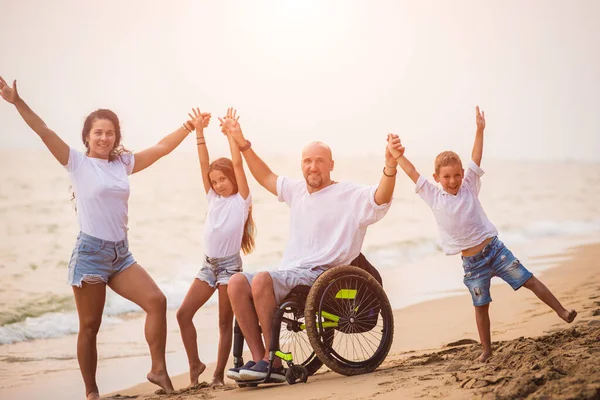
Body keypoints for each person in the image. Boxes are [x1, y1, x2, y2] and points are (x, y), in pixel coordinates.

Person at [0, 76, 198, 399]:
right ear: (87, 137)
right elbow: (44, 130)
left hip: (121, 255)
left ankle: (158, 369)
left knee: (156, 302)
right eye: (98, 133)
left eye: (110, 132)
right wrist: (17, 102)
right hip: (90, 254)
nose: (104, 138)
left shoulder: (123, 163)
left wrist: (188, 128)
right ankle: (91, 392)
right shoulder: (76, 163)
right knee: (90, 327)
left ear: (116, 136)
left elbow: (161, 149)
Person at [387, 106, 577, 363]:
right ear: (437, 177)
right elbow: (411, 173)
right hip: (472, 264)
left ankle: (562, 311)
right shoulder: (433, 195)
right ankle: (486, 349)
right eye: (446, 177)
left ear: (462, 175)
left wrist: (479, 129)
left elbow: (476, 158)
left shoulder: (469, 186)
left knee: (528, 280)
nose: (452, 181)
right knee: (481, 306)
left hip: (495, 250)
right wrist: (396, 155)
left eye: (456, 175)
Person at [218, 111, 398, 382]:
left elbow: (380, 198)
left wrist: (390, 167)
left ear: (331, 165)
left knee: (262, 280)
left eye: (319, 161)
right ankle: (260, 359)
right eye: (307, 161)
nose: (313, 167)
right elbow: (264, 176)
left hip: (323, 275)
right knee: (236, 283)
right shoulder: (297, 191)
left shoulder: (348, 194)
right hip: (292, 271)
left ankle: (274, 361)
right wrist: (242, 143)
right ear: (301, 165)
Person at [176, 108, 255, 387]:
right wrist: (199, 131)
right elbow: (203, 163)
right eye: (215, 182)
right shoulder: (212, 198)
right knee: (183, 314)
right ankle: (195, 363)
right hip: (207, 266)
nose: (219, 185)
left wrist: (232, 135)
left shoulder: (241, 200)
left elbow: (237, 163)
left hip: (230, 268)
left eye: (223, 180)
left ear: (232, 179)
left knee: (224, 324)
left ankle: (218, 375)